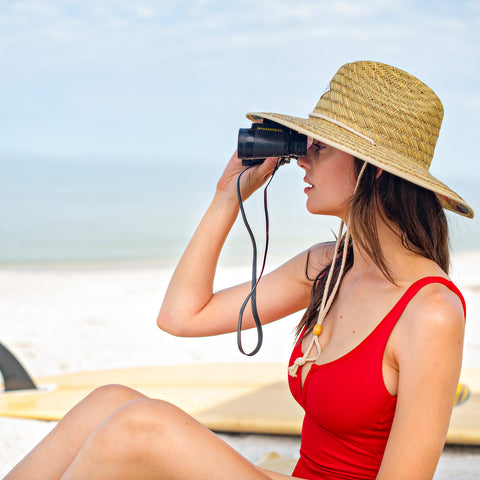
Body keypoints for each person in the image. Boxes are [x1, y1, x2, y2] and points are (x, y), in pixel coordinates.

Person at [5, 61, 473, 480]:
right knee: (107, 402)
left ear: (370, 171)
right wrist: (226, 197)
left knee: (139, 427)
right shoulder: (327, 269)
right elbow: (181, 316)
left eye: (319, 149)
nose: (301, 161)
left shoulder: (430, 310)